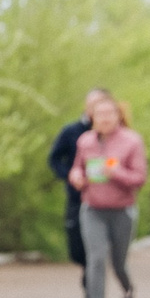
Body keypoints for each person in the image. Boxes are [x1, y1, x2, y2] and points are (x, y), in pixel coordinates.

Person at [67, 93, 147, 298]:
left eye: (109, 114)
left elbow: (139, 178)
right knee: (96, 258)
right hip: (92, 209)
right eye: (99, 114)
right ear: (92, 117)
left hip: (122, 210)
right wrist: (77, 177)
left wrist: (116, 172)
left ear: (118, 116)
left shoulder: (131, 142)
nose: (104, 119)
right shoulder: (85, 142)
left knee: (119, 262)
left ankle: (128, 290)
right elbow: (76, 169)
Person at [46, 91, 104, 277]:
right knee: (77, 247)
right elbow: (54, 159)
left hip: (105, 199)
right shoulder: (72, 132)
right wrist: (70, 174)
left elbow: (122, 160)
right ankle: (88, 268)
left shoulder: (114, 136)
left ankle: (94, 281)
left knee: (97, 246)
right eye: (93, 104)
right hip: (78, 196)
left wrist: (112, 171)